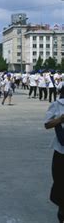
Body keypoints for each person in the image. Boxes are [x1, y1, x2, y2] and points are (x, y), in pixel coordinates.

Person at [44, 89, 64, 223]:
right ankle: (62, 209)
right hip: (61, 151)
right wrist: (60, 119)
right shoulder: (57, 104)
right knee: (60, 181)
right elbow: (47, 124)